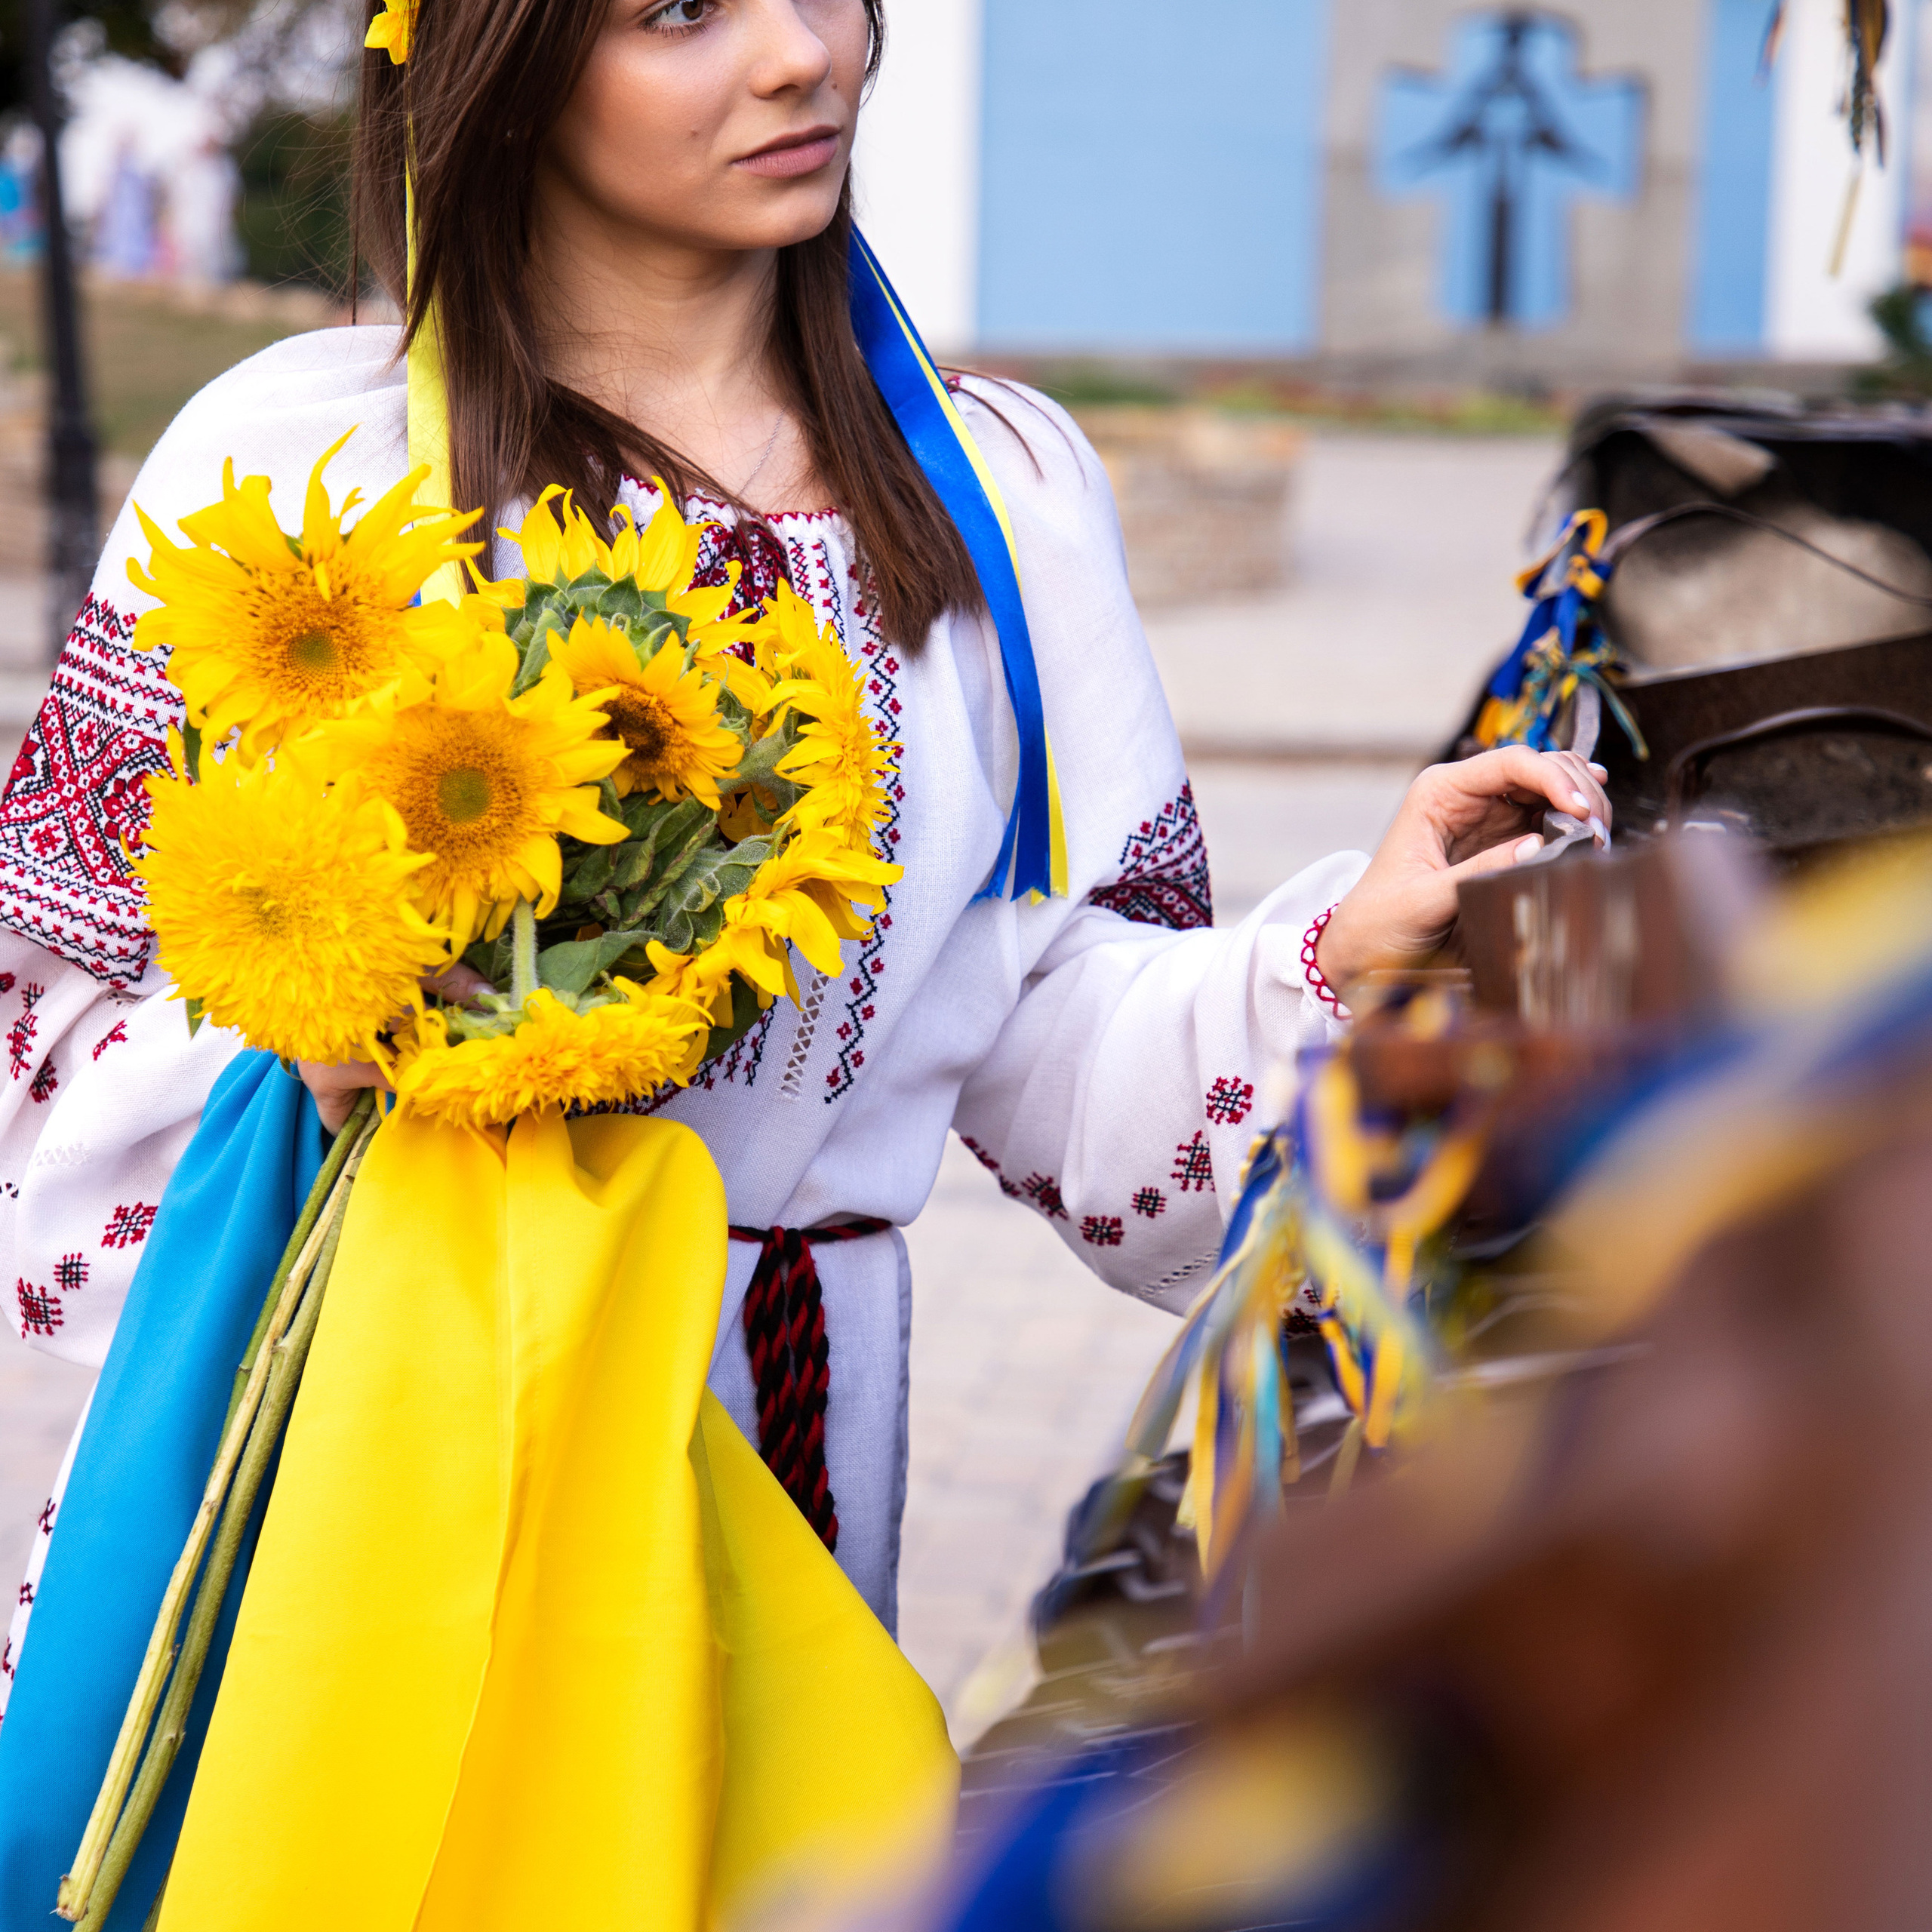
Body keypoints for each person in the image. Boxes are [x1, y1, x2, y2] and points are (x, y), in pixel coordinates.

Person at [0, 0, 1608, 1671]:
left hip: (787, 1476)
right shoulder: (303, 467)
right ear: (503, 57)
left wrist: (1331, 963)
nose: (799, 55)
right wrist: (328, 1058)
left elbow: (1038, 1025)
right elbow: (44, 1033)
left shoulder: (1000, 492)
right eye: (680, 10)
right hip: (361, 1489)